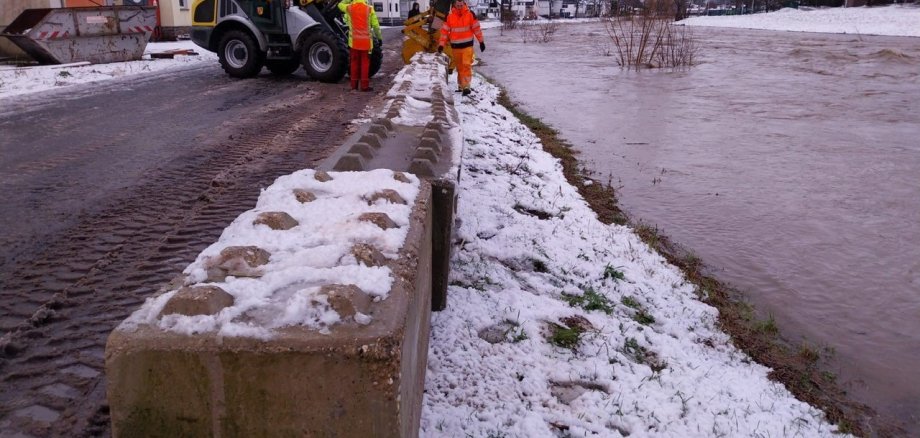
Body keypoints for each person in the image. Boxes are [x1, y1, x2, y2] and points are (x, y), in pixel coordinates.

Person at [437, 0, 485, 96]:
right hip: (455, 47)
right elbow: (444, 32)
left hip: (467, 46)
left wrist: (481, 42)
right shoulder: (449, 16)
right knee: (459, 67)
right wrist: (441, 45)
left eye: (461, 5)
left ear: (464, 4)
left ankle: (466, 86)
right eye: (457, 5)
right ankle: (461, 85)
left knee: (466, 65)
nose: (459, 7)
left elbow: (476, 29)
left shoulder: (470, 14)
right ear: (454, 4)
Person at [339, 0, 382, 91]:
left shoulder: (349, 8)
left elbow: (339, 4)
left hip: (354, 43)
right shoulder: (369, 9)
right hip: (366, 43)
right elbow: (376, 26)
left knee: (354, 64)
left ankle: (354, 86)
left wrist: (348, 0)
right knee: (365, 64)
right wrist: (379, 38)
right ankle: (364, 86)